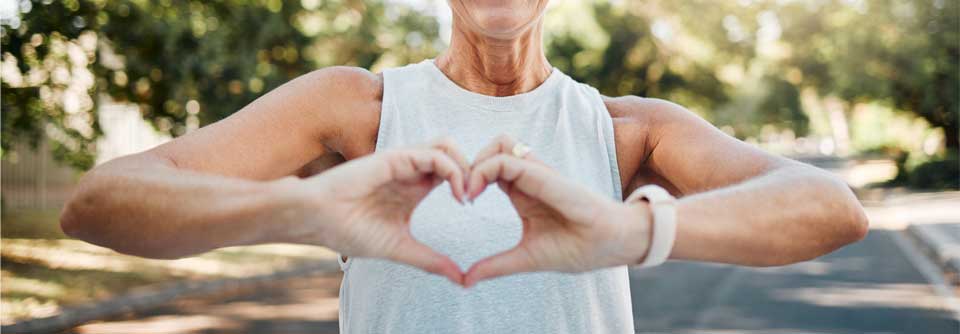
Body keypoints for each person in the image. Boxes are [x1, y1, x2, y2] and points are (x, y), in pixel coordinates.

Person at [60, 1, 869, 333]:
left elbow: (830, 208)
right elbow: (99, 203)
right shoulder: (354, 108)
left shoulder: (628, 130)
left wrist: (629, 227)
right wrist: (298, 212)